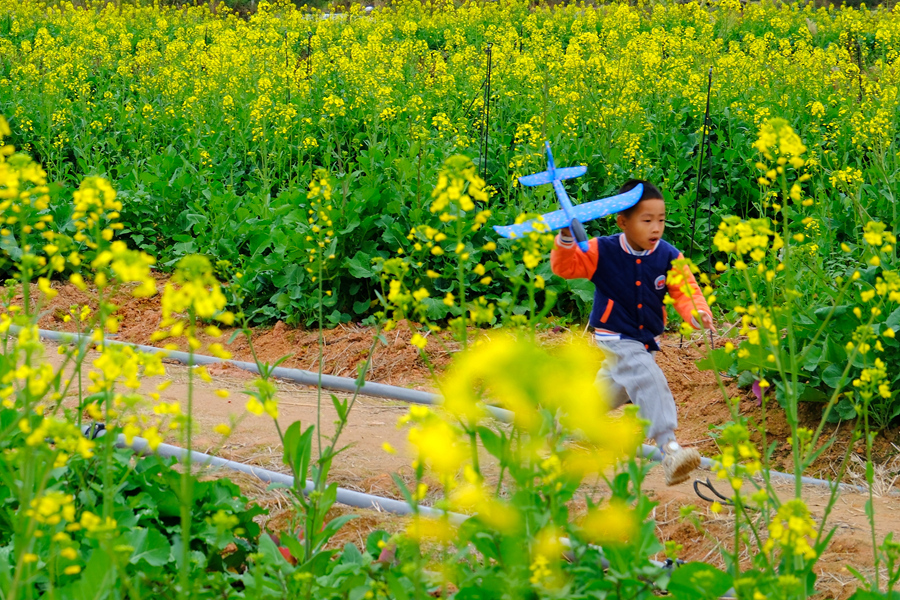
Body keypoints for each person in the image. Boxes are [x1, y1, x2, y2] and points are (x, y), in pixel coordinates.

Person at [550, 180, 715, 486]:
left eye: (661, 220)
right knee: (647, 377)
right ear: (623, 222)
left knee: (610, 393)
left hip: (645, 339)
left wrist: (696, 312)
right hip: (614, 336)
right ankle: (670, 449)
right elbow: (566, 268)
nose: (656, 228)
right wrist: (565, 238)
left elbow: (685, 290)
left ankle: (560, 421)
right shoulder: (603, 251)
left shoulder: (667, 255)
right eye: (647, 220)